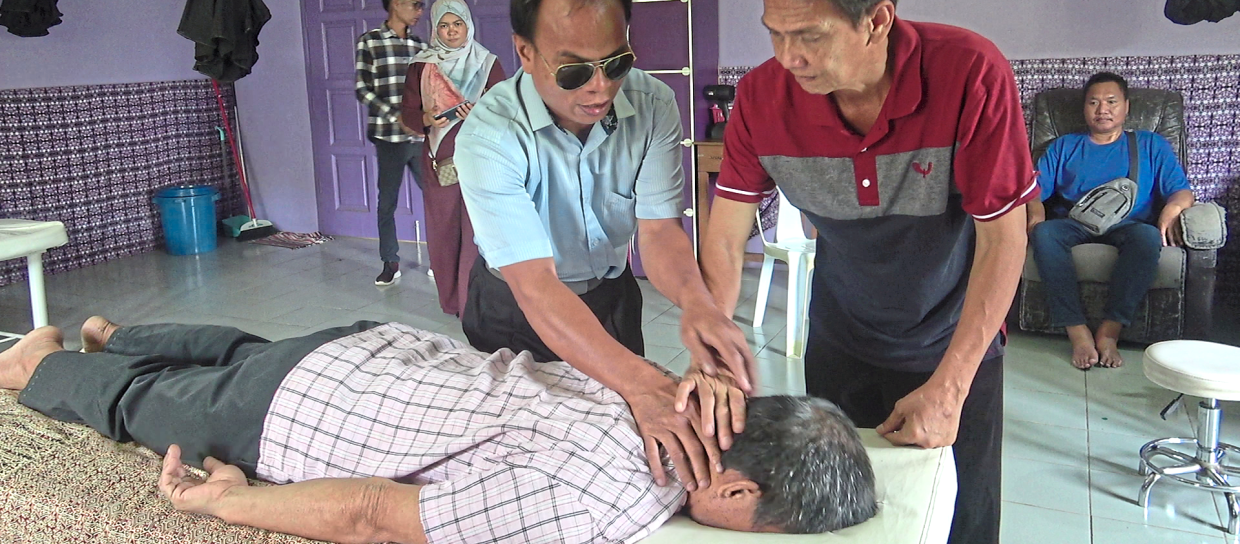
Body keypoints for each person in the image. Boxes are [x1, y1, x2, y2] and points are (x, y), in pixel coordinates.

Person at [693, 0, 1037, 544]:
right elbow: (726, 226)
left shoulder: (969, 73)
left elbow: (1002, 237)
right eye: (774, 33)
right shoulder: (763, 100)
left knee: (961, 516)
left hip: (952, 342)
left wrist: (951, 386)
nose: (788, 57)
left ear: (877, 19)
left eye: (810, 36)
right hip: (841, 341)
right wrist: (714, 341)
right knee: (843, 520)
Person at [0, 320, 878, 544]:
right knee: (140, 408)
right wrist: (235, 503)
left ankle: (118, 334)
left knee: (236, 348)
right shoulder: (596, 506)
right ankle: (37, 360)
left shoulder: (662, 390)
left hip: (372, 347)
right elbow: (378, 513)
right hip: (303, 409)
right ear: (735, 490)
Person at [454, 0, 756, 490]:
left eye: (615, 62)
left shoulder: (654, 102)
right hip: (515, 309)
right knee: (517, 458)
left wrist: (699, 305)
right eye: (574, 70)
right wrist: (643, 382)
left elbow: (658, 230)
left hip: (612, 296)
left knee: (624, 451)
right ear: (525, 52)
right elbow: (536, 284)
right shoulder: (490, 134)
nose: (599, 87)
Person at [1027, 72, 1194, 370]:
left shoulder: (1150, 144)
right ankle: (1076, 331)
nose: (1102, 109)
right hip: (1075, 221)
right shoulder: (1065, 146)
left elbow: (1181, 190)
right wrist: (1036, 213)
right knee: (1045, 234)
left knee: (1147, 238)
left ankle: (1109, 332)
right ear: (1084, 109)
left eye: (1111, 102)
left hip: (1129, 224)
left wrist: (1173, 209)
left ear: (1126, 107)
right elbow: (1034, 192)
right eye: (1093, 102)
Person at [401, 0, 506, 317]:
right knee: (443, 229)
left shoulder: (488, 63)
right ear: (435, 29)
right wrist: (427, 120)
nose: (451, 32)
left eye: (457, 24)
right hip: (441, 160)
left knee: (479, 229)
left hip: (482, 157)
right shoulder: (422, 65)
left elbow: (506, 109)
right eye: (444, 26)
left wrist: (481, 111)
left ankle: (472, 301)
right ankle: (451, 301)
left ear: (468, 25)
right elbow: (408, 112)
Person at [355, 0, 428, 286]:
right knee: (387, 202)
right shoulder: (369, 41)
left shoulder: (421, 47)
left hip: (422, 139)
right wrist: (395, 116)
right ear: (396, 3)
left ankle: (442, 259)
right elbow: (362, 88)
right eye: (415, 4)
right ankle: (390, 262)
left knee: (439, 199)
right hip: (388, 138)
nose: (419, 11)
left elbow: (429, 90)